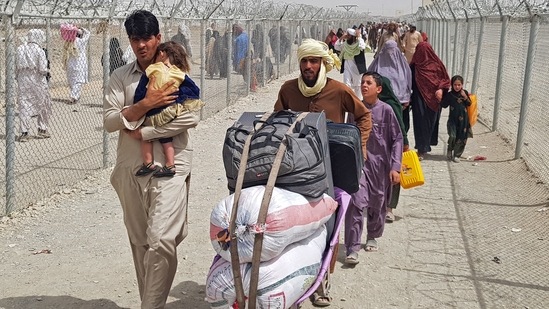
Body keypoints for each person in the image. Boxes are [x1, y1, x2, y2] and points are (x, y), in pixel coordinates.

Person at [103, 10, 200, 308]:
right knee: (141, 242)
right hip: (132, 169)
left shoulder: (174, 70)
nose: (141, 45)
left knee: (160, 240)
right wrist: (146, 104)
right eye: (135, 39)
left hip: (171, 167)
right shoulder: (120, 77)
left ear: (158, 37)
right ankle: (152, 302)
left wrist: (143, 130)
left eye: (146, 38)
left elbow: (192, 114)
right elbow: (109, 120)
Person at [274, 39, 372, 307]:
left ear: (323, 63)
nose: (308, 66)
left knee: (328, 227)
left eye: (313, 61)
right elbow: (275, 123)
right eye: (304, 61)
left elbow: (364, 116)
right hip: (292, 171)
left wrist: (359, 147)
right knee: (294, 226)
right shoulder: (288, 90)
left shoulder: (338, 90)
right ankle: (293, 286)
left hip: (328, 170)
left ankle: (320, 285)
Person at [344, 72, 403, 265]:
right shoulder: (355, 111)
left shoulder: (386, 111)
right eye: (362, 82)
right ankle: (352, 247)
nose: (364, 85)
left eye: (369, 83)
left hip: (381, 167)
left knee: (378, 202)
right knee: (356, 202)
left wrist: (395, 166)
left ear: (379, 89)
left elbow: (397, 139)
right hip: (359, 165)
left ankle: (373, 235)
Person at [133, 41, 205, 178]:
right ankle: (170, 165)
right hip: (171, 111)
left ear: (161, 53)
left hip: (154, 113)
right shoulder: (178, 73)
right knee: (167, 138)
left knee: (145, 136)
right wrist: (178, 98)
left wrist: (140, 103)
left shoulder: (153, 69)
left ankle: (148, 163)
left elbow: (141, 90)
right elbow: (194, 90)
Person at [409, 41, 450, 159]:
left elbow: (446, 79)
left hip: (434, 100)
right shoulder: (414, 66)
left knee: (431, 122)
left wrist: (441, 89)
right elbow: (408, 81)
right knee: (420, 122)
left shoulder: (437, 65)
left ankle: (426, 144)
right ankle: (421, 148)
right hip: (418, 98)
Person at [377, 76, 409, 223]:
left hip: (393, 146)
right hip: (378, 147)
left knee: (394, 176)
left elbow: (400, 127)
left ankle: (390, 208)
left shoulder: (391, 105)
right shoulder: (372, 104)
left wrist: (405, 144)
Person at [16, 29, 52, 142]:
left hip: (22, 78)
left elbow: (15, 66)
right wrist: (48, 71)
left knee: (24, 104)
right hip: (37, 79)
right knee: (44, 103)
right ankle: (42, 129)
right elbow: (42, 69)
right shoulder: (39, 50)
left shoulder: (20, 48)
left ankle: (24, 132)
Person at [368, 40, 412, 108]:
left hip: (401, 103)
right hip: (381, 102)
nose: (390, 53)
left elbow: (408, 80)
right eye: (388, 50)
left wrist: (407, 98)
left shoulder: (403, 65)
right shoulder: (377, 64)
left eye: (393, 50)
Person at [440, 75, 473, 163]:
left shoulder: (464, 92)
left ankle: (457, 155)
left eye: (459, 85)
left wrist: (465, 96)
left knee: (461, 138)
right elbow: (444, 105)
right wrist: (441, 96)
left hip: (464, 121)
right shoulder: (450, 95)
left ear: (462, 85)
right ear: (452, 85)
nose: (457, 87)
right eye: (455, 85)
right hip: (453, 120)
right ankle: (450, 149)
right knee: (453, 136)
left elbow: (469, 103)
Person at [334, 28, 367, 100]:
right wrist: (342, 38)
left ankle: (359, 102)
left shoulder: (359, 43)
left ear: (353, 37)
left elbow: (362, 47)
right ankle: (348, 101)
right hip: (347, 67)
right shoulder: (345, 44)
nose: (347, 37)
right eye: (347, 35)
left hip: (357, 68)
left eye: (349, 36)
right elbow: (336, 46)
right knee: (346, 84)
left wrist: (359, 37)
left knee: (358, 86)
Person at [64, 26, 90, 104]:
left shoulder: (68, 41)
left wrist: (74, 29)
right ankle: (73, 96)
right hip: (79, 63)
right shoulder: (81, 41)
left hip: (70, 63)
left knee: (72, 80)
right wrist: (82, 28)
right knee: (79, 81)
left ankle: (76, 96)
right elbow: (88, 33)